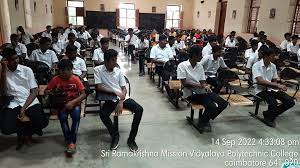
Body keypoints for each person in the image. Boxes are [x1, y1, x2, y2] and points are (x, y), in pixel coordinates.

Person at [94, 49, 143, 151]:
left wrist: (121, 101)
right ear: (106, 61)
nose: (115, 62)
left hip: (122, 97)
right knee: (103, 114)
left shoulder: (118, 70)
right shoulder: (98, 70)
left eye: (115, 59)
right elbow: (98, 87)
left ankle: (131, 139)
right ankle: (115, 135)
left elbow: (124, 88)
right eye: (112, 60)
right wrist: (114, 92)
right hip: (110, 98)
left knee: (139, 109)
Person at [0, 48, 48, 146]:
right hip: (13, 103)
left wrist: (23, 109)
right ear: (5, 61)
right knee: (6, 129)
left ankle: (27, 134)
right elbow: (4, 93)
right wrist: (4, 74)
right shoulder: (2, 72)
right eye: (12, 60)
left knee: (41, 121)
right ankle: (22, 132)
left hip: (29, 100)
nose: (16, 61)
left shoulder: (26, 70)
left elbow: (34, 91)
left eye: (16, 58)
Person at [177, 45, 228, 132]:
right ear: (193, 55)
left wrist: (205, 86)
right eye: (200, 55)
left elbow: (202, 80)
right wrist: (201, 86)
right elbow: (185, 83)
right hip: (190, 93)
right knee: (211, 106)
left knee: (223, 103)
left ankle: (205, 118)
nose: (202, 57)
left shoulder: (199, 66)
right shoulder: (182, 65)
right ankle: (203, 121)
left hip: (202, 92)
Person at [45, 59, 85, 154]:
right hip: (61, 104)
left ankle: (71, 142)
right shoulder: (56, 79)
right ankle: (69, 140)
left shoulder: (75, 79)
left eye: (67, 70)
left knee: (76, 116)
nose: (65, 73)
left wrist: (73, 102)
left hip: (74, 103)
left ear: (72, 70)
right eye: (62, 70)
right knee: (63, 118)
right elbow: (46, 90)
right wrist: (53, 92)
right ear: (59, 71)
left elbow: (83, 94)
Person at [252, 48, 295, 127]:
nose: (274, 58)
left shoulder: (273, 66)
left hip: (271, 88)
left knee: (290, 101)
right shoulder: (256, 65)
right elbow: (260, 81)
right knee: (273, 103)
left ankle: (269, 113)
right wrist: (277, 85)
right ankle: (269, 118)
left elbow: (274, 80)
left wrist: (278, 86)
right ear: (266, 56)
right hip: (260, 89)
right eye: (272, 56)